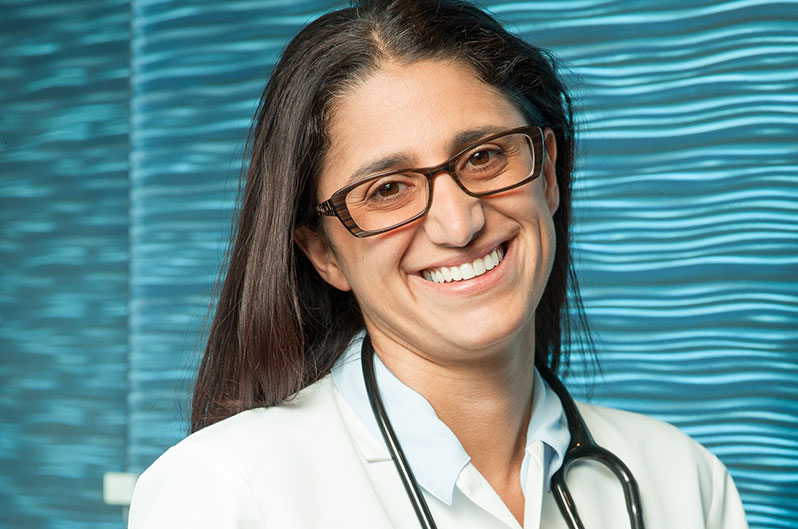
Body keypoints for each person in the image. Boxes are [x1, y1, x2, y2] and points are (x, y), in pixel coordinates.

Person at [128, 0, 749, 528]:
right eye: (388, 190)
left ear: (549, 175)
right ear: (323, 253)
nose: (460, 224)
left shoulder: (682, 481)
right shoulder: (227, 493)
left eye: (483, 156)